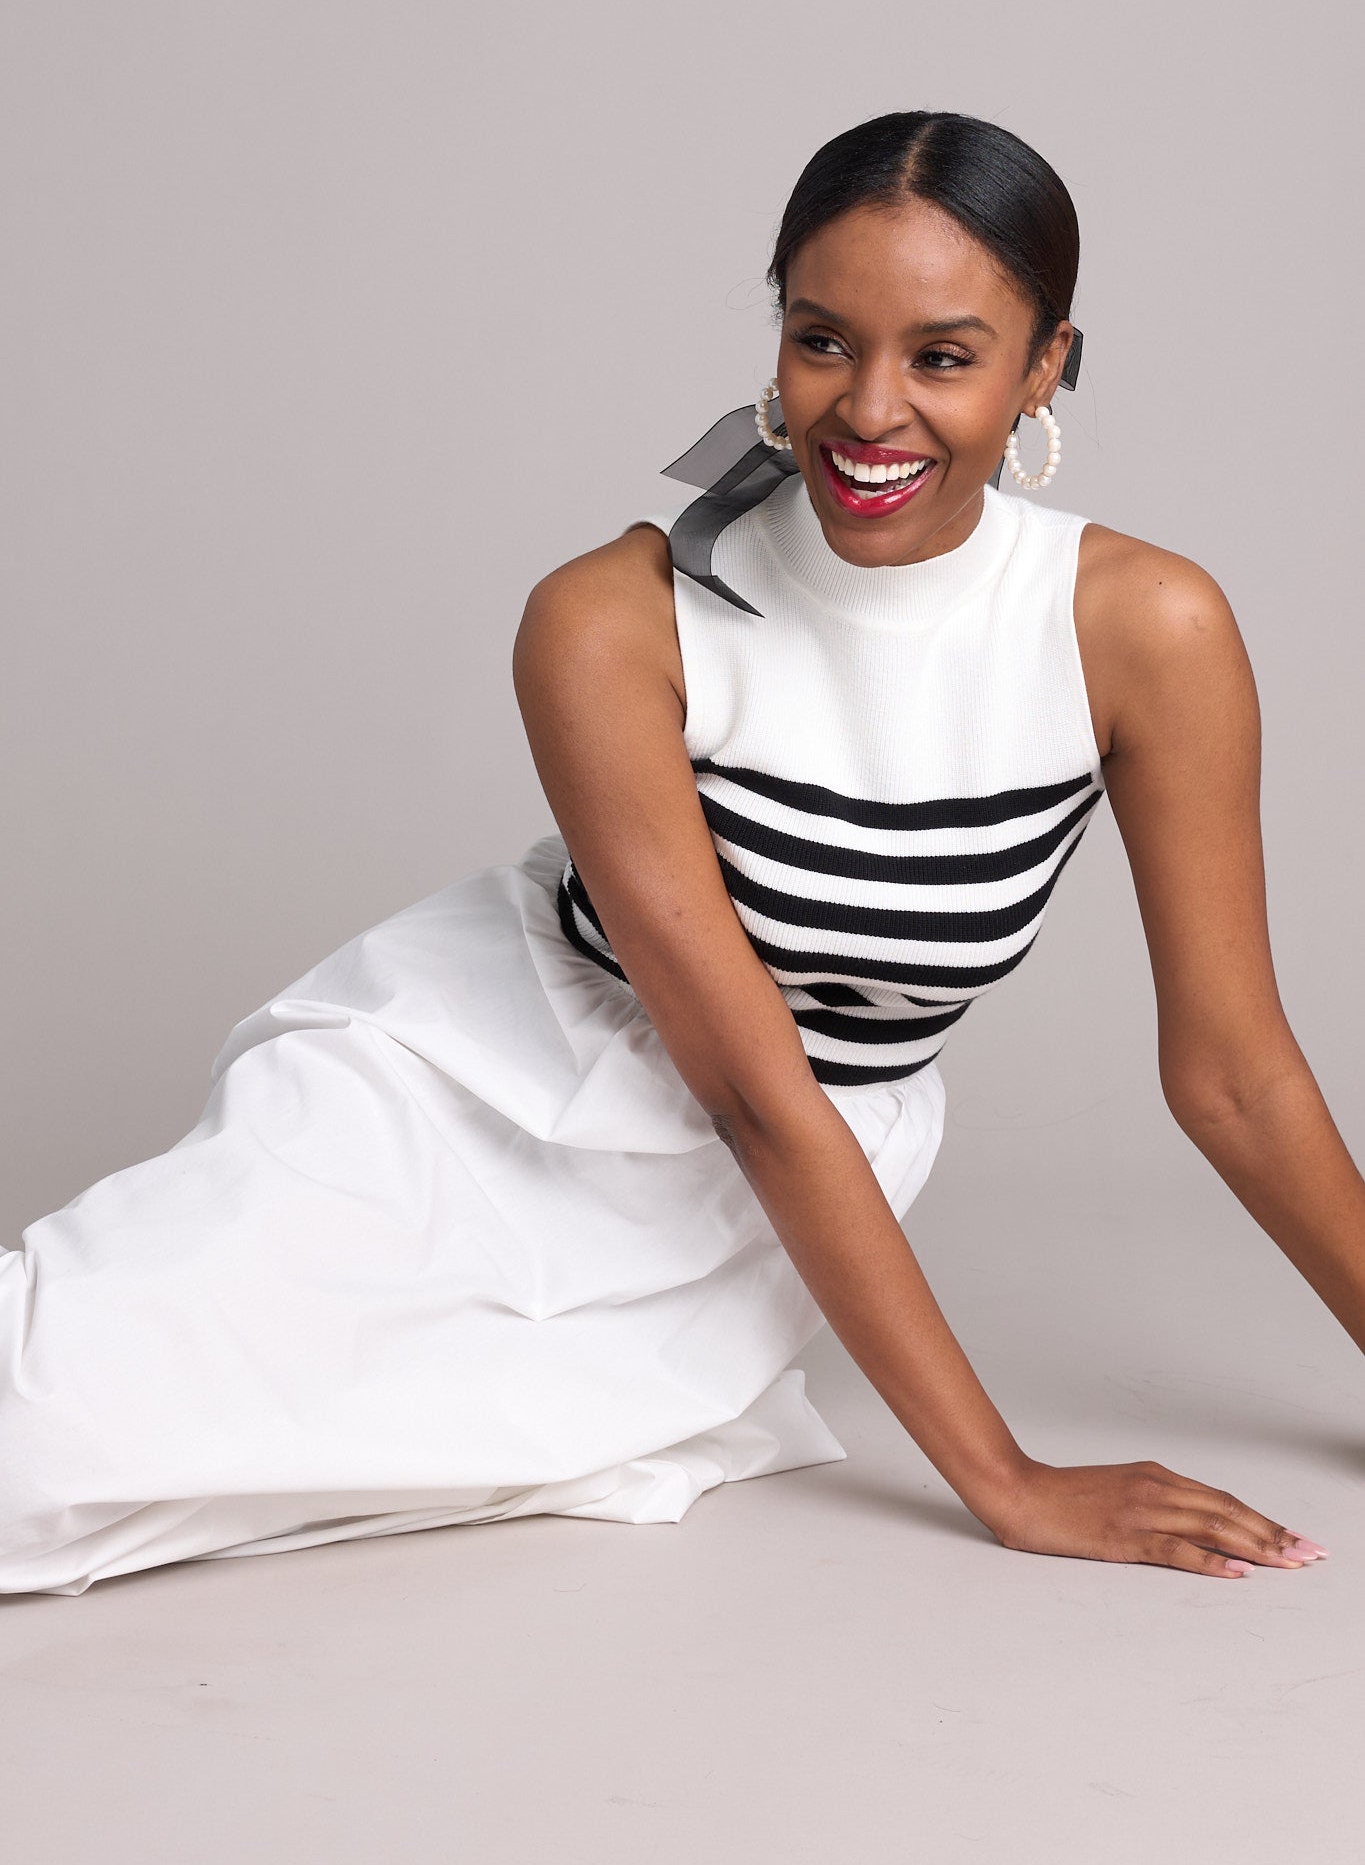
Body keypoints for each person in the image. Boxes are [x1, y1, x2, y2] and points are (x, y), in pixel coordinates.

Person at [0, 110, 1345, 1597]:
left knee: (249, 1490)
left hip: (753, 1209)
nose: (870, 410)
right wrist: (1007, 1482)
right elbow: (752, 1083)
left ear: (1043, 367)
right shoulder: (611, 618)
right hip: (468, 1106)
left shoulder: (1143, 628)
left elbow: (1232, 1073)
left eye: (944, 357)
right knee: (46, 1439)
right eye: (822, 339)